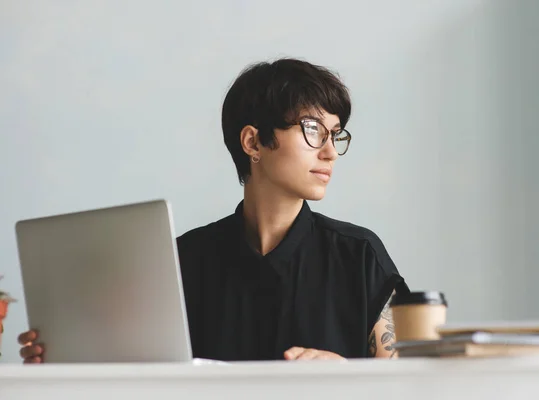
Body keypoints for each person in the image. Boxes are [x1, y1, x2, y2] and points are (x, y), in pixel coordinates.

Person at [18, 58, 410, 362]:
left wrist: (344, 373)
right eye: (312, 130)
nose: (329, 152)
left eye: (334, 134)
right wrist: (59, 360)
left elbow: (411, 381)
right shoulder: (182, 263)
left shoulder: (358, 255)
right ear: (253, 142)